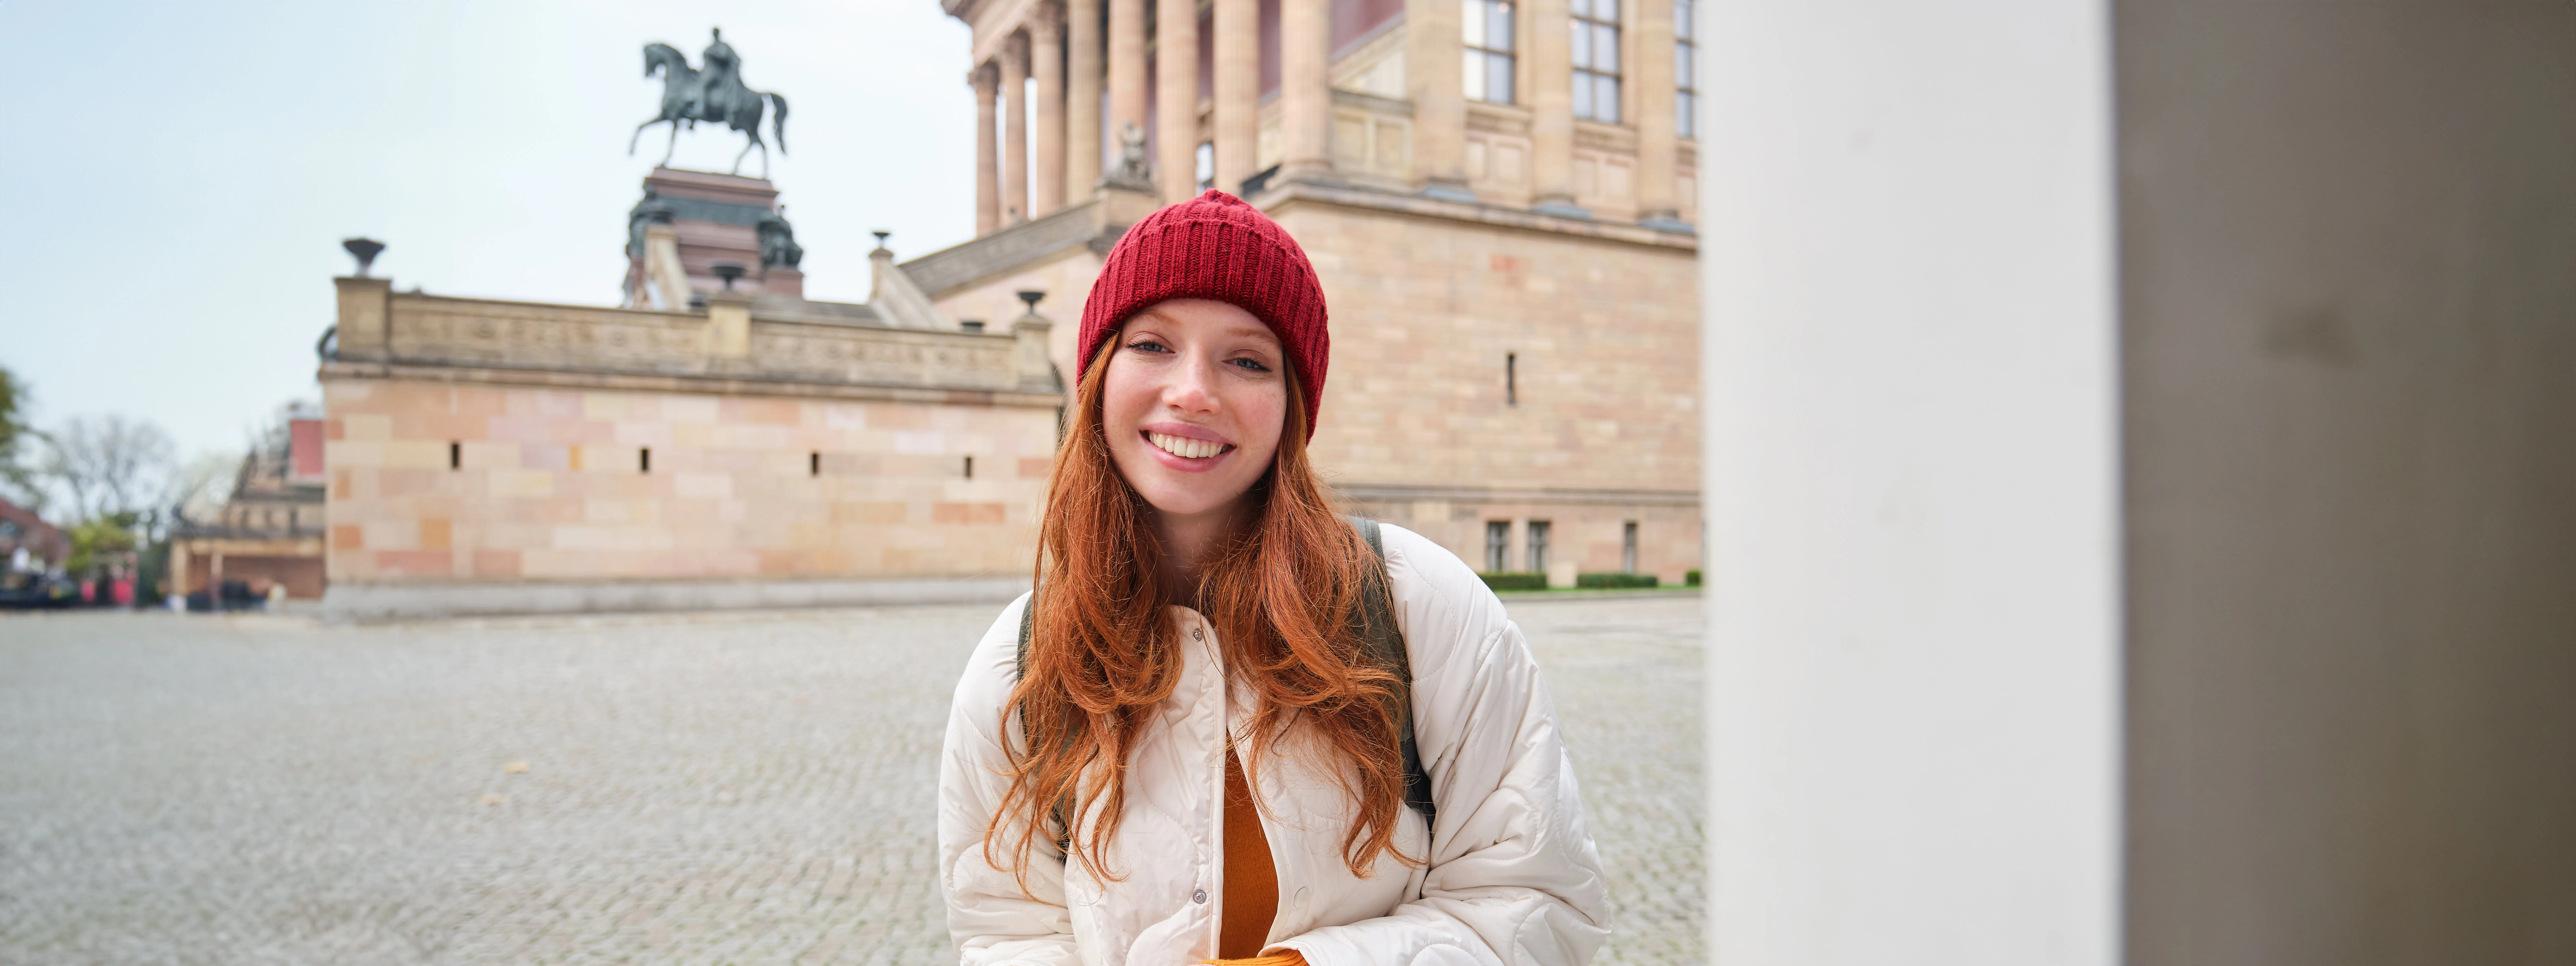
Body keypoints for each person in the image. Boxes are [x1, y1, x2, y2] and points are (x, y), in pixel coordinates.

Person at [938, 191, 1611, 965]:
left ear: (1293, 402)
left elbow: (1540, 906)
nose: (1192, 390)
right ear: (1097, 375)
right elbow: (1006, 934)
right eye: (1152, 344)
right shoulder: (1021, 657)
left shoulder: (1417, 602)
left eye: (1247, 359)